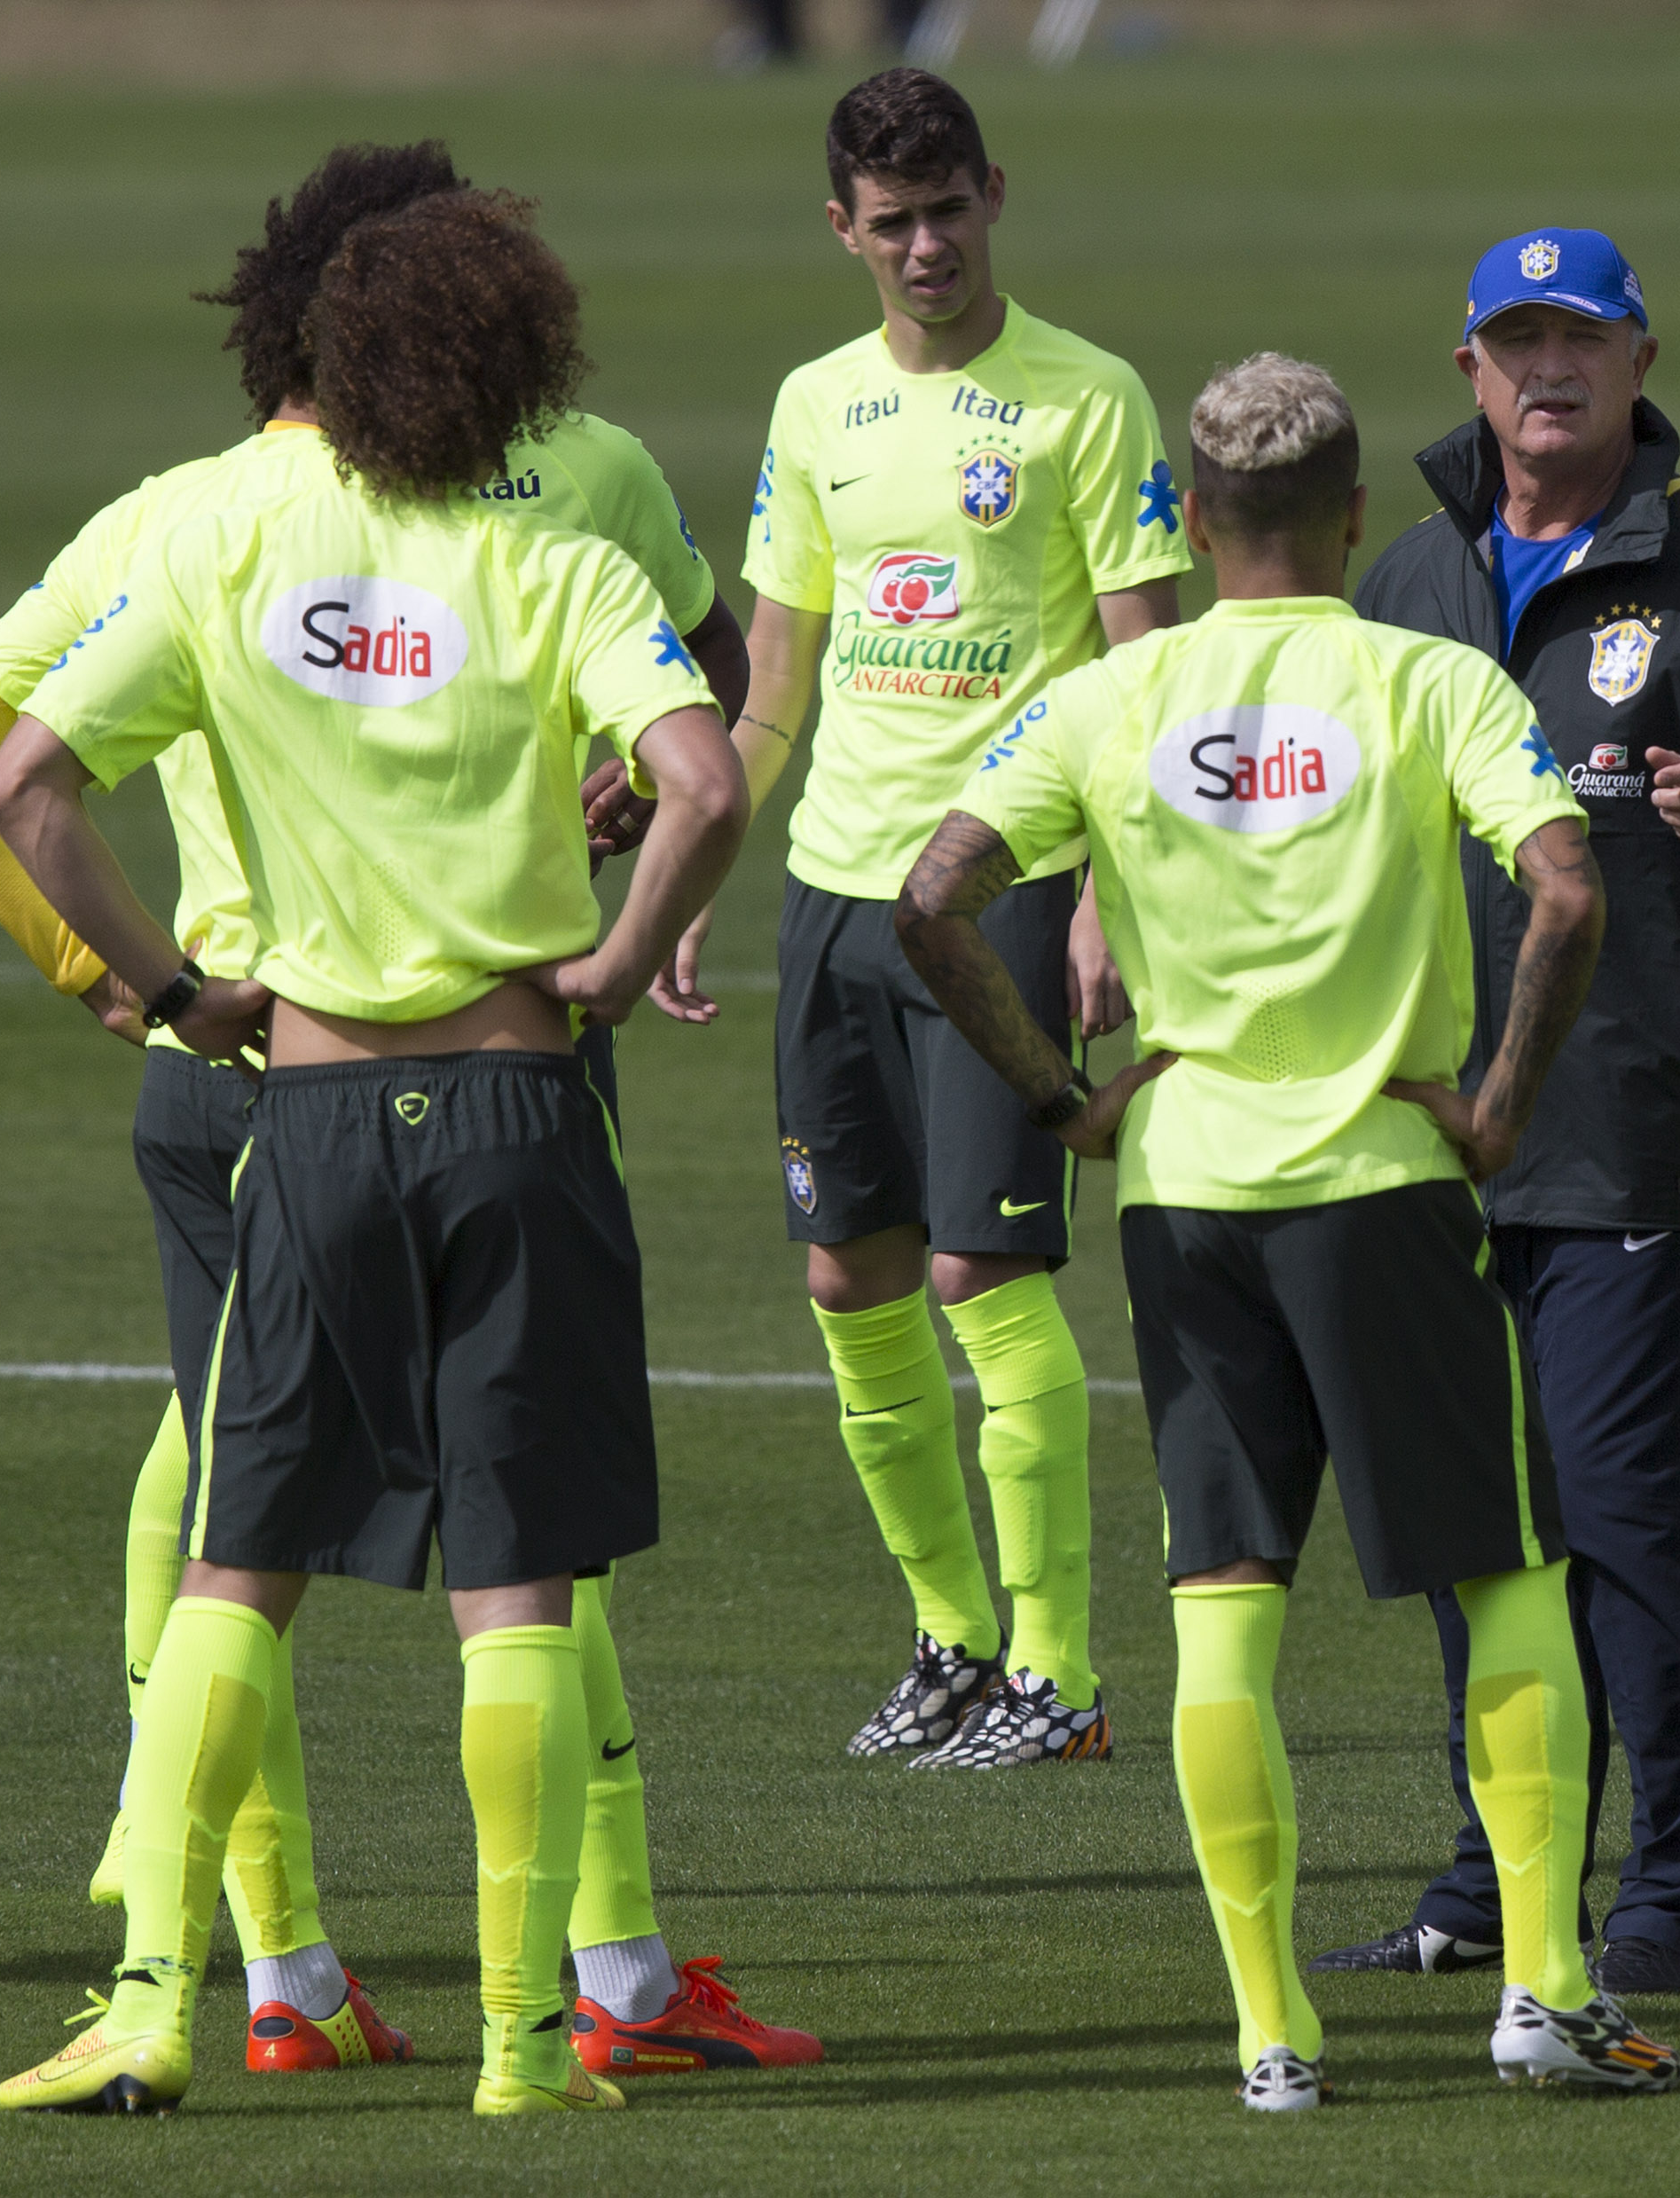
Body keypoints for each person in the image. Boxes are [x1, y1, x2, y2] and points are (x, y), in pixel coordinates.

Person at [0, 139, 814, 2083]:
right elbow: (713, 762)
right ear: (512, 370)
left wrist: (148, 990)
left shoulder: (205, 532)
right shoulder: (566, 539)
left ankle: (184, 1995)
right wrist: (618, 940)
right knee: (520, 1565)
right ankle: (538, 2027)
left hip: (269, 1103)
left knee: (227, 1535)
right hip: (508, 1097)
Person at [893, 351, 1680, 2106]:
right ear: (1345, 516)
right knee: (1503, 1577)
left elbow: (931, 899)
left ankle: (1269, 2033)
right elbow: (1567, 885)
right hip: (1387, 1194)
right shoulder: (1425, 678)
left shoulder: (1112, 699)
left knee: (1222, 1600)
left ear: (1187, 515)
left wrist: (1058, 1100)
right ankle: (1547, 1989)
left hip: (1185, 1201)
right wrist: (1494, 1099)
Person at [1303, 227, 1680, 1997]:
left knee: (1628, 1535)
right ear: (1466, 371)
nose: (1548, 368)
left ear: (1638, 359)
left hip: (1643, 1134)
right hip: (1440, 1138)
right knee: (1476, 1543)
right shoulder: (1400, 585)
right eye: (1515, 340)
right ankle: (1494, 1883)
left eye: (1578, 338)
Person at [673, 67, 1189, 1767]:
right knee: (851, 1274)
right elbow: (769, 689)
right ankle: (951, 1640)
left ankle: (1060, 1673)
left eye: (947, 211)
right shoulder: (814, 405)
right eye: (889, 224)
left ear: (993, 196)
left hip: (1002, 892)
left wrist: (1111, 890)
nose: (924, 249)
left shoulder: (1086, 399)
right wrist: (693, 864)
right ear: (843, 230)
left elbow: (1151, 680)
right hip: (833, 895)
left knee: (987, 1263)